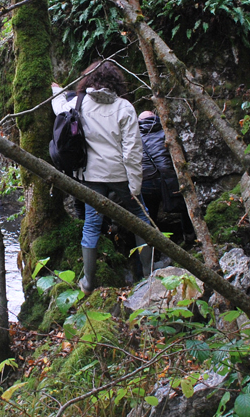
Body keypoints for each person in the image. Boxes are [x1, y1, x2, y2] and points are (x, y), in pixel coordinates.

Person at [51, 60, 152, 294]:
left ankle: (88, 282)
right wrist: (135, 187)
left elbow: (59, 110)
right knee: (140, 218)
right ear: (115, 81)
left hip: (91, 175)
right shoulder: (124, 107)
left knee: (92, 223)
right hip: (120, 175)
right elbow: (133, 150)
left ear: (89, 80)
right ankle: (148, 276)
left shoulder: (79, 103)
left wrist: (57, 91)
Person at [137, 111, 180, 279]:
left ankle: (146, 261)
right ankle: (189, 237)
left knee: (148, 218)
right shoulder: (166, 132)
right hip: (168, 179)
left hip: (146, 182)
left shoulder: (133, 136)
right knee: (182, 208)